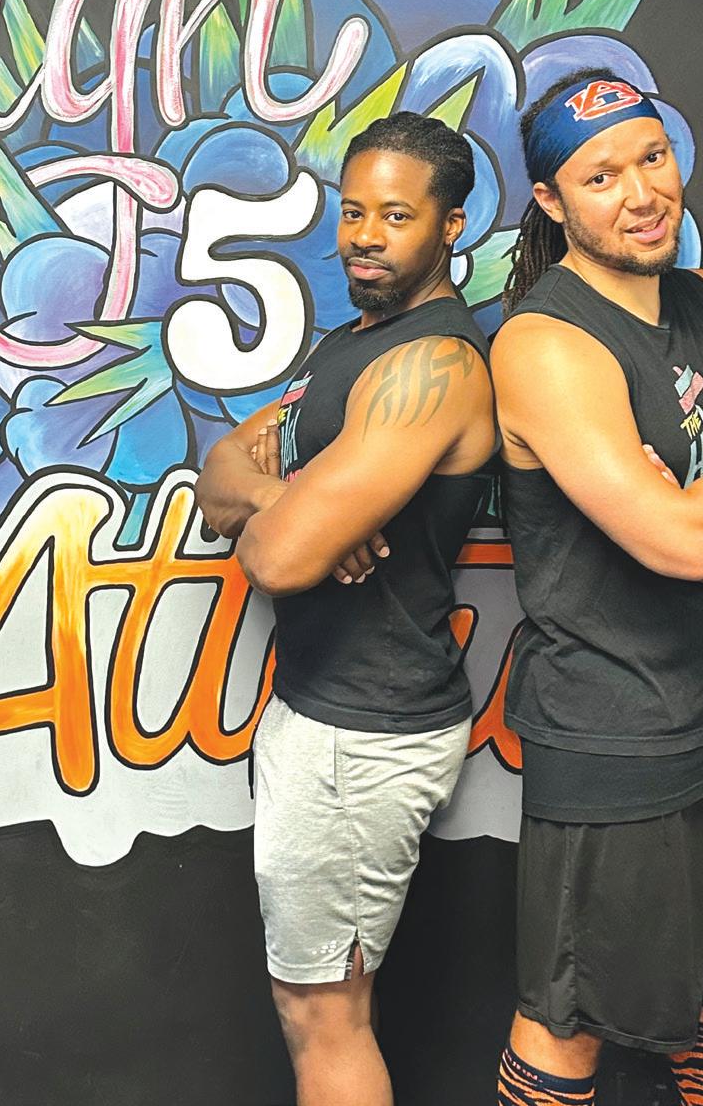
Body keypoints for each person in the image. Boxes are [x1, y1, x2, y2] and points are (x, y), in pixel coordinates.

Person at [489, 69, 703, 1105]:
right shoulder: (546, 344)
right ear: (551, 200)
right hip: (620, 742)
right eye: (601, 176)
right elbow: (688, 541)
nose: (641, 193)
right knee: (569, 1029)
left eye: (652, 157)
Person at [197, 111, 498, 1106]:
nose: (365, 235)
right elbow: (217, 475)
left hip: (362, 734)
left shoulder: (432, 365)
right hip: (323, 714)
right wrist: (288, 497)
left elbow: (276, 560)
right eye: (353, 209)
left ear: (451, 225)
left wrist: (286, 519)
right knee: (311, 1006)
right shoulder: (354, 345)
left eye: (396, 216)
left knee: (324, 1014)